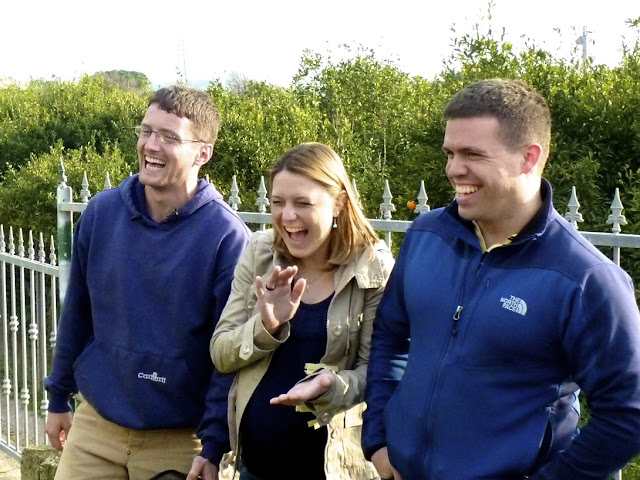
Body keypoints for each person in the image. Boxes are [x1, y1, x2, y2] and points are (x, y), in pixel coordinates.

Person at [362, 78, 640, 480]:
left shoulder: (585, 278)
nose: (453, 169)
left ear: (528, 158)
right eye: (450, 153)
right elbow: (391, 336)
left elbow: (628, 413)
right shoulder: (426, 236)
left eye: (472, 154)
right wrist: (379, 441)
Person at [44, 85, 251, 480]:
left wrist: (213, 444)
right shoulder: (101, 213)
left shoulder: (226, 238)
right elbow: (77, 313)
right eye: (146, 131)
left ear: (203, 153)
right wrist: (58, 395)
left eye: (169, 136)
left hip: (181, 441)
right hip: (95, 427)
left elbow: (229, 356)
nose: (151, 145)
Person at [210, 142, 394, 480]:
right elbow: (221, 353)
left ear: (338, 203)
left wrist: (331, 384)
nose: (287, 216)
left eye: (302, 203)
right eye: (278, 202)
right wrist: (267, 325)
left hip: (336, 470)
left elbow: (380, 372)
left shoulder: (373, 268)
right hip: (255, 467)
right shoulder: (260, 253)